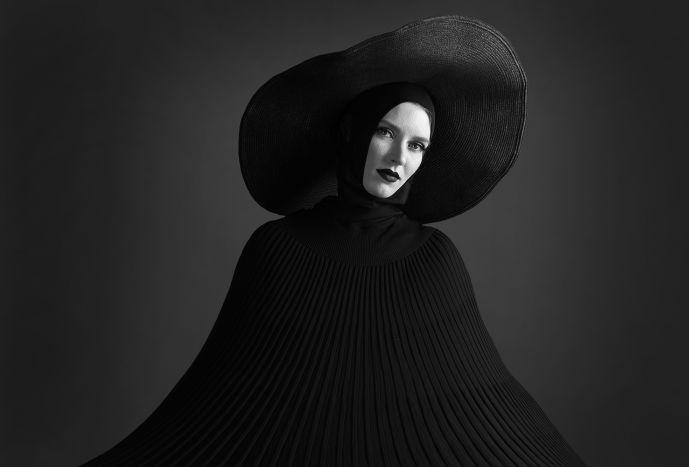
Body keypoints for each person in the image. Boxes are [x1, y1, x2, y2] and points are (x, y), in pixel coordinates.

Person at [82, 16, 587, 466]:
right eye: (385, 132)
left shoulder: (435, 261)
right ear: (352, 131)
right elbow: (215, 403)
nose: (400, 157)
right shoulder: (276, 250)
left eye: (417, 145)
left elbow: (485, 402)